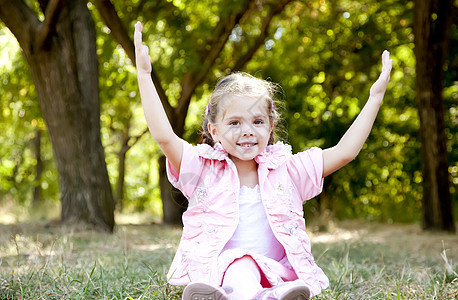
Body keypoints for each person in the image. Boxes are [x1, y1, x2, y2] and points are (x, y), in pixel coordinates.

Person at [134, 21, 392, 300]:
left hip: (275, 272)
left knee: (255, 270)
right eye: (234, 122)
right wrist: (145, 75)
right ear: (214, 131)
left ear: (270, 127)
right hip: (217, 273)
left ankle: (268, 294)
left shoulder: (288, 170)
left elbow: (345, 152)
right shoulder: (202, 168)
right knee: (241, 264)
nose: (247, 130)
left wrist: (374, 98)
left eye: (257, 121)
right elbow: (164, 137)